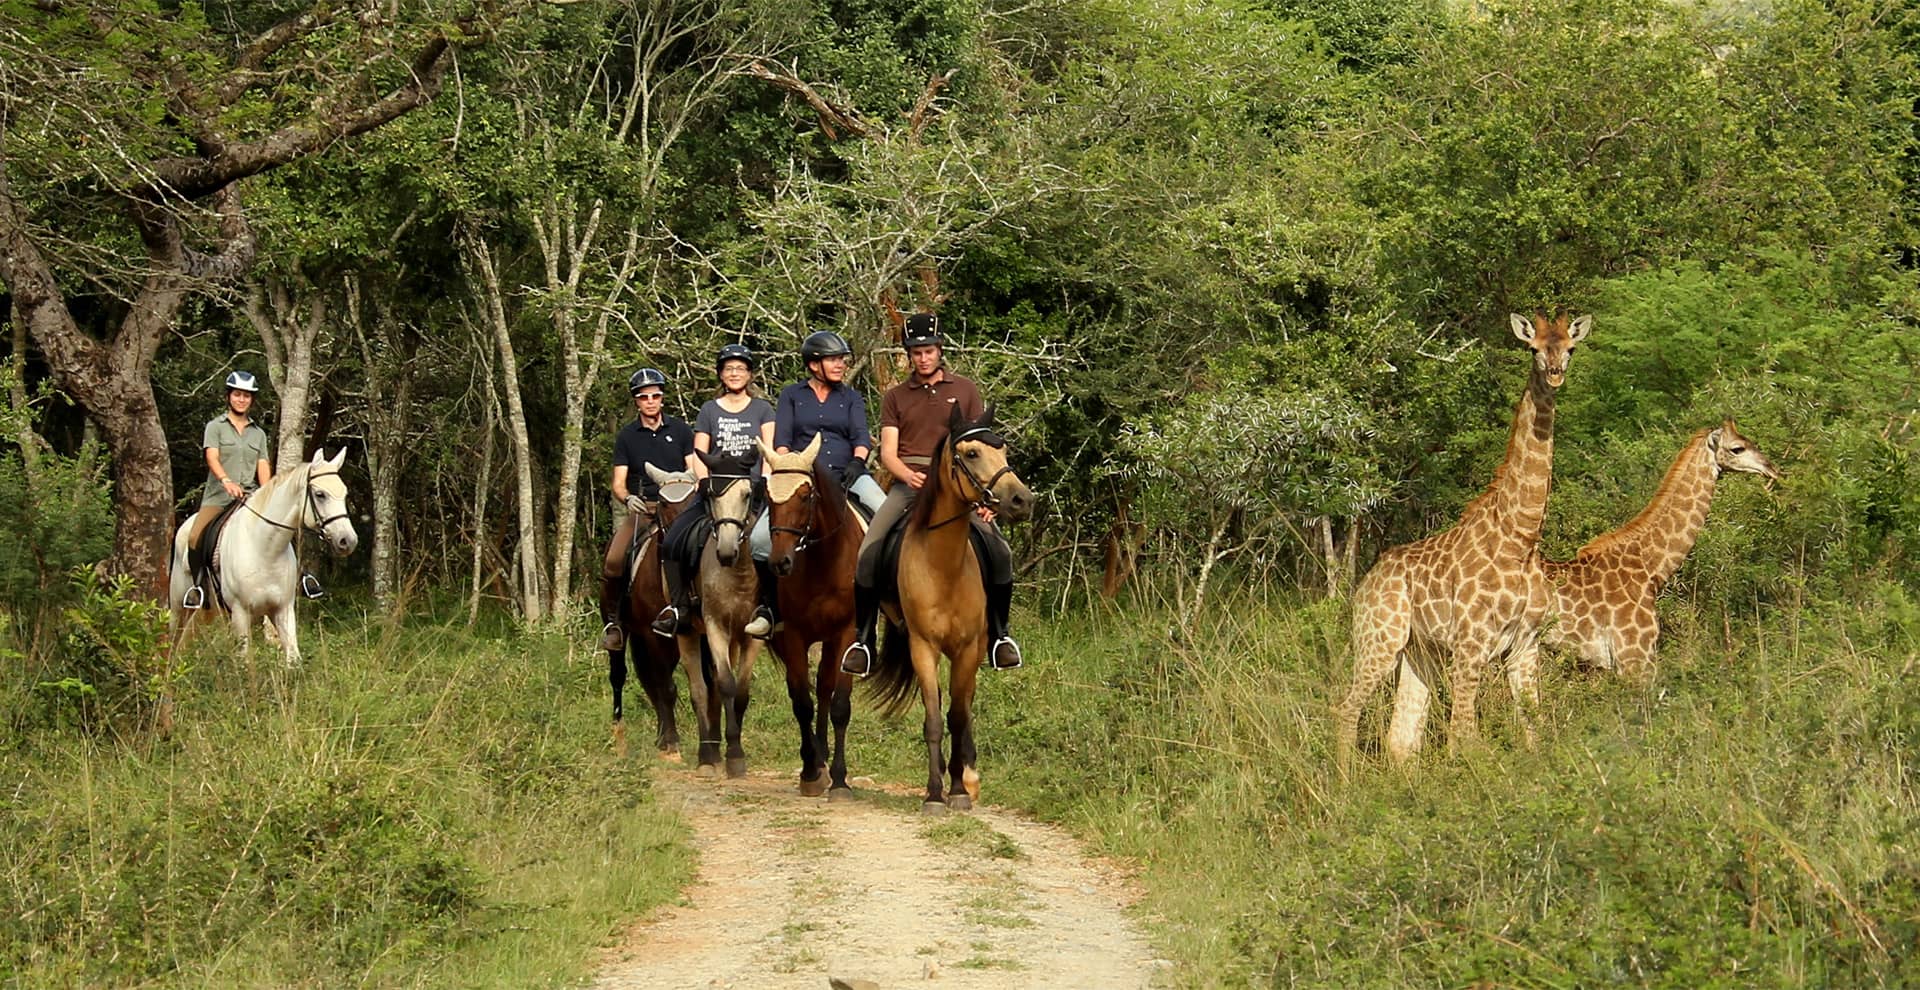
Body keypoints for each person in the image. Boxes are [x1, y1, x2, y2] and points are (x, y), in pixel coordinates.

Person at [840, 314, 1023, 675]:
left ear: (940, 351)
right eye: (917, 352)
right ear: (909, 356)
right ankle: (863, 641)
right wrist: (908, 474)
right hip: (911, 485)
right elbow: (889, 451)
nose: (923, 358)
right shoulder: (895, 396)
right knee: (869, 551)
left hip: (957, 486)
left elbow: (981, 448)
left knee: (999, 550)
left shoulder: (966, 389)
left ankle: (1000, 635)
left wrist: (987, 503)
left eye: (929, 351)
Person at [652, 344, 777, 637]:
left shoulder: (763, 409)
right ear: (721, 374)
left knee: (779, 541)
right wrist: (704, 480)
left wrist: (764, 482)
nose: (735, 374)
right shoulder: (710, 409)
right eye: (729, 369)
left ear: (750, 374)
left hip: (751, 491)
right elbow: (699, 451)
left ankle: (773, 608)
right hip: (715, 492)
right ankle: (679, 607)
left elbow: (769, 451)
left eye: (741, 369)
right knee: (673, 541)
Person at [600, 368, 697, 651]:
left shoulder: (680, 430)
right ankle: (614, 622)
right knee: (615, 559)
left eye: (656, 396)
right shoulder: (627, 436)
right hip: (646, 506)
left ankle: (700, 609)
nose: (651, 401)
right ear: (636, 402)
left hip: (681, 505)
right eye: (644, 397)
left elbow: (693, 468)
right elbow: (618, 482)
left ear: (662, 399)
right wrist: (628, 498)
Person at [182, 371, 275, 610]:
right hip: (220, 497)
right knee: (194, 537)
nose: (241, 400)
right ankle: (198, 588)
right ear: (229, 397)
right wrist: (226, 480)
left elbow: (262, 465)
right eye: (237, 395)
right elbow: (211, 457)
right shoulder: (216, 427)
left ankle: (298, 579)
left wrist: (268, 493)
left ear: (251, 400)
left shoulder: (259, 434)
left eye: (246, 396)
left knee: (278, 530)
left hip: (250, 498)